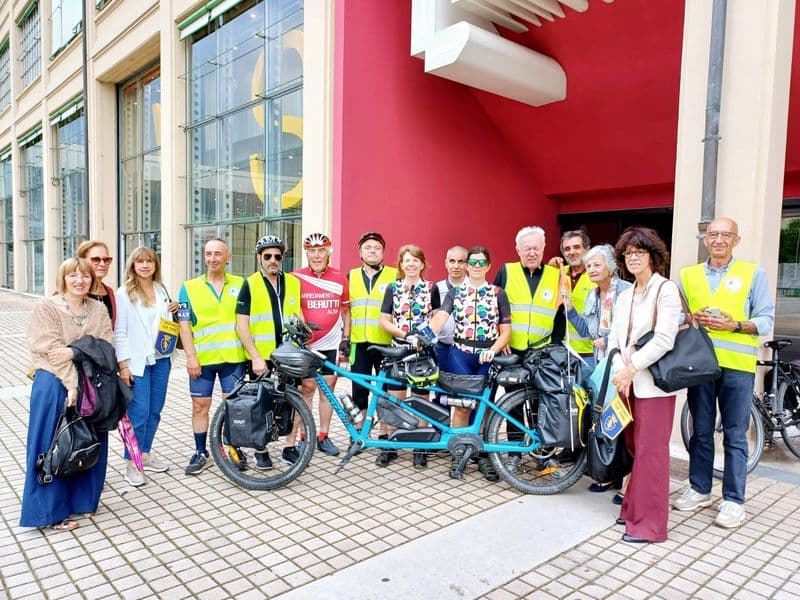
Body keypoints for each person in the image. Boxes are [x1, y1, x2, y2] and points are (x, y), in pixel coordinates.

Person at [674, 217, 775, 528]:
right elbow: (678, 316)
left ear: (736, 240)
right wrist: (691, 317)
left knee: (734, 434)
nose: (718, 239)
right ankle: (700, 489)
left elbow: (766, 319)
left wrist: (736, 325)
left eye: (725, 235)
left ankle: (733, 500)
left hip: (738, 367)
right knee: (701, 431)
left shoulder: (752, 273)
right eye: (713, 234)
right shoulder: (687, 275)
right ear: (706, 240)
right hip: (700, 365)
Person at [20, 258, 114, 531]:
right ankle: (49, 513)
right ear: (63, 279)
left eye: (84, 276)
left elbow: (105, 346)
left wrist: (76, 351)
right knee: (52, 445)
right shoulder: (47, 307)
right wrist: (72, 382)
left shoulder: (97, 309)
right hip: (52, 383)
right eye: (73, 275)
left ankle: (82, 501)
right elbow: (48, 347)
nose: (79, 281)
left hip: (91, 384)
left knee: (87, 439)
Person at [607, 226, 682, 544]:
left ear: (653, 255)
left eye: (639, 251)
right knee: (634, 447)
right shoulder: (625, 295)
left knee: (652, 452)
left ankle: (650, 527)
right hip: (627, 383)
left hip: (652, 384)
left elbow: (665, 338)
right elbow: (614, 338)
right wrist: (618, 372)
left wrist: (632, 369)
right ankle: (632, 508)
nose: (633, 257)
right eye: (628, 253)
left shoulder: (665, 290)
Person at [430, 246, 511, 480]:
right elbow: (441, 318)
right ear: (467, 266)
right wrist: (422, 334)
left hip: (487, 356)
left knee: (483, 407)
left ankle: (483, 455)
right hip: (460, 353)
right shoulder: (455, 292)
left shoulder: (498, 293)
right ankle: (459, 453)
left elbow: (506, 331)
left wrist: (494, 350)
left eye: (480, 263)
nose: (476, 266)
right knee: (462, 405)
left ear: (488, 266)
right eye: (472, 262)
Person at [494, 226, 566, 476]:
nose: (532, 252)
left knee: (542, 404)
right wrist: (499, 341)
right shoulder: (506, 271)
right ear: (518, 250)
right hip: (512, 351)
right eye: (527, 248)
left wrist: (555, 348)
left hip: (542, 352)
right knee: (513, 403)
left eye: (536, 248)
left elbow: (560, 315)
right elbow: (493, 308)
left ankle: (543, 455)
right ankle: (514, 453)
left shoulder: (556, 275)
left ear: (544, 249)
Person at [177, 238, 247, 475]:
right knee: (200, 407)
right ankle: (201, 452)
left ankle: (233, 448)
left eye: (218, 254)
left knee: (233, 407)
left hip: (233, 359)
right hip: (203, 360)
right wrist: (190, 357)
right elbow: (184, 326)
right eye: (208, 254)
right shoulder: (189, 287)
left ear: (228, 257)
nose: (213, 258)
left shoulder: (241, 283)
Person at [236, 234, 302, 468]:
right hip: (261, 359)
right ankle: (260, 450)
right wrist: (254, 356)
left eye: (277, 256)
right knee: (261, 405)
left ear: (282, 258)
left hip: (289, 356)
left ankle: (289, 447)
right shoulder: (250, 284)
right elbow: (241, 325)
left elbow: (298, 317)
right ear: (259, 258)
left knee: (294, 404)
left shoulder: (294, 282)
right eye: (267, 256)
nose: (273, 260)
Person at [115, 246, 177, 486]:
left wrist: (173, 308)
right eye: (139, 261)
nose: (145, 265)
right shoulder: (124, 294)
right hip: (138, 362)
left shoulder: (161, 289)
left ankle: (145, 453)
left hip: (161, 358)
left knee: (155, 411)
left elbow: (164, 322)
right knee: (138, 414)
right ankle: (131, 463)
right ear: (132, 265)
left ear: (155, 265)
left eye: (149, 261)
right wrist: (123, 366)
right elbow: (119, 333)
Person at [378, 244, 441, 468]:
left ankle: (419, 446)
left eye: (416, 260)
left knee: (421, 401)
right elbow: (384, 320)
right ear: (401, 265)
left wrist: (423, 337)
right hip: (399, 351)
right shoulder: (392, 288)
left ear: (422, 264)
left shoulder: (432, 288)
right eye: (407, 260)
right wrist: (405, 335)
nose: (412, 264)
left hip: (423, 354)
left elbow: (436, 319)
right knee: (395, 399)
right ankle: (391, 445)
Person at [292, 232, 351, 458]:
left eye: (321, 250)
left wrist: (346, 339)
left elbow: (346, 311)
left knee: (327, 392)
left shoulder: (339, 278)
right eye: (312, 251)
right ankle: (303, 437)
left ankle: (323, 436)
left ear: (329, 252)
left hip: (331, 344)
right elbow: (293, 308)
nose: (317, 255)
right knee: (305, 391)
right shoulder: (296, 277)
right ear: (306, 253)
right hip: (307, 345)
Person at [348, 232, 398, 421]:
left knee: (386, 390)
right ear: (360, 252)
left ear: (383, 253)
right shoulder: (351, 275)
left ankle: (387, 434)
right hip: (359, 343)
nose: (372, 251)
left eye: (377, 248)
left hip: (386, 343)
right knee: (359, 390)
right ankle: (361, 433)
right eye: (368, 247)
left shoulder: (394, 275)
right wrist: (346, 338)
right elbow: (347, 310)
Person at [550, 230, 596, 370]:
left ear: (587, 249)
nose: (571, 252)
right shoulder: (557, 274)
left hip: (590, 354)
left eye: (577, 247)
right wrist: (550, 270)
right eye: (567, 249)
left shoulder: (598, 275)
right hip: (562, 351)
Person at [434, 246, 468, 377]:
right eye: (452, 261)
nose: (456, 266)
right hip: (441, 347)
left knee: (462, 391)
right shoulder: (436, 288)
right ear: (446, 263)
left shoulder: (475, 288)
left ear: (467, 264)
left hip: (465, 350)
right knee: (441, 391)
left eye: (461, 261)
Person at [76, 240, 117, 324]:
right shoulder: (71, 290)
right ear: (82, 261)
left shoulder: (109, 291)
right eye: (96, 259)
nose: (102, 264)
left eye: (106, 259)